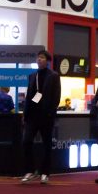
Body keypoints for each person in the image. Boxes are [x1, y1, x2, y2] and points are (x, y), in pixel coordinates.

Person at [22, 50, 61, 185]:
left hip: (46, 116)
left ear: (47, 60)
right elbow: (29, 96)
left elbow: (56, 96)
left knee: (47, 144)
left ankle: (45, 173)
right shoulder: (32, 76)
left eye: (42, 57)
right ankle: (30, 170)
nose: (39, 59)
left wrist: (50, 113)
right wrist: (25, 114)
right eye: (38, 57)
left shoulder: (53, 76)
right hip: (32, 116)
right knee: (26, 141)